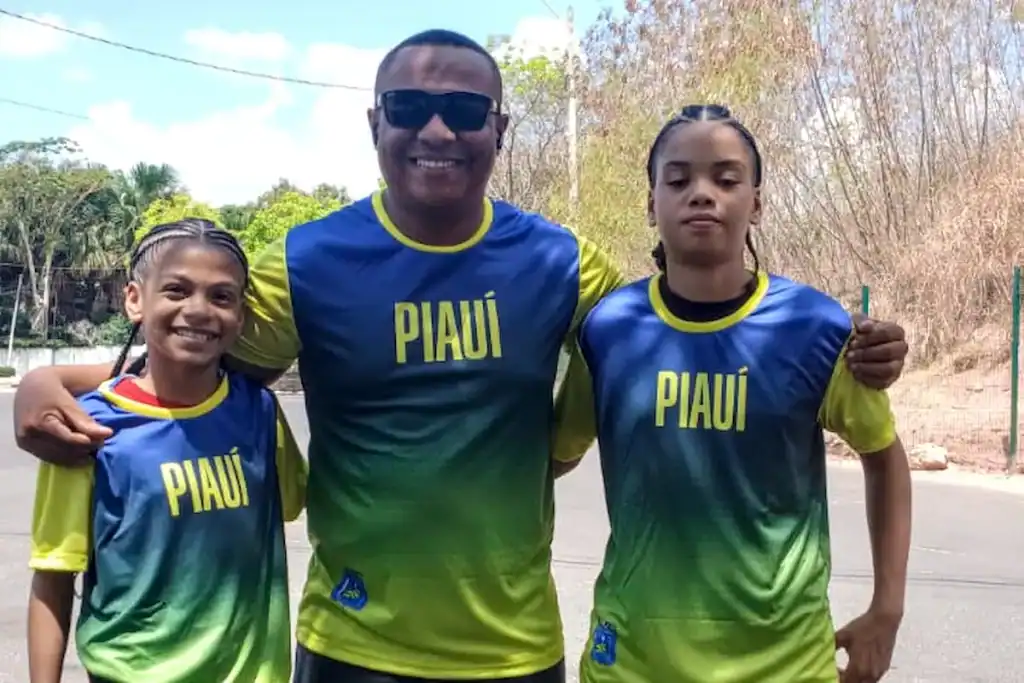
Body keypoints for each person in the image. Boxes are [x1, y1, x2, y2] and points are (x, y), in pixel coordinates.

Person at [13, 32, 910, 683]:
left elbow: (692, 311)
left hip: (512, 647)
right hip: (350, 643)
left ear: (499, 130)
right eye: (410, 107)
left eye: (464, 111)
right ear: (376, 123)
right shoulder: (306, 260)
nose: (437, 130)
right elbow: (188, 347)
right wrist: (45, 379)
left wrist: (855, 342)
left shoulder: (561, 264)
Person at [552, 105, 912, 683]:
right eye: (678, 179)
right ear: (651, 205)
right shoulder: (609, 328)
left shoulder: (813, 327)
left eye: (725, 178)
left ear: (758, 203)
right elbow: (554, 454)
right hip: (633, 662)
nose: (702, 193)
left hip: (784, 665)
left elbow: (884, 454)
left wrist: (887, 608)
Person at [26, 219, 307, 683]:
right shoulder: (86, 426)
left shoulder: (257, 411)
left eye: (221, 297)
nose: (198, 310)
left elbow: (297, 504)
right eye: (176, 290)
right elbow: (54, 578)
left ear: (240, 317)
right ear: (135, 299)